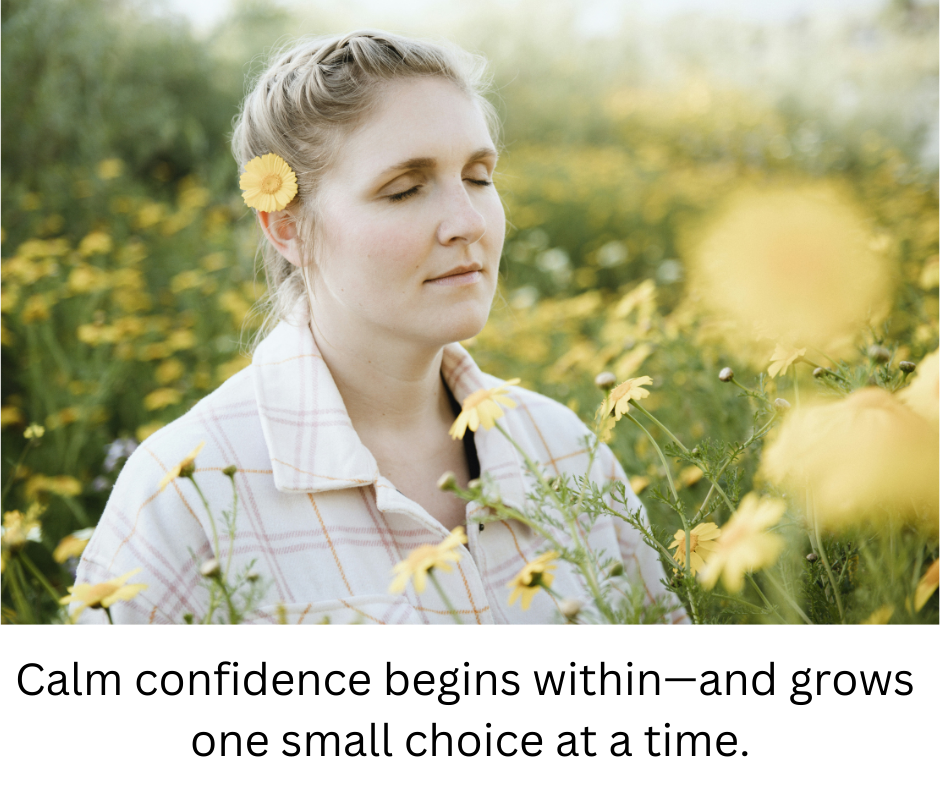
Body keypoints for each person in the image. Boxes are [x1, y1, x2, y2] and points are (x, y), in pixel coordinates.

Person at [73, 30, 686, 624]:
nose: (468, 221)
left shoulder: (565, 449)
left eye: (479, 177)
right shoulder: (187, 498)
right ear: (287, 228)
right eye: (404, 190)